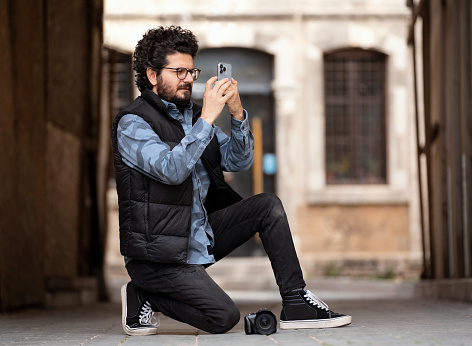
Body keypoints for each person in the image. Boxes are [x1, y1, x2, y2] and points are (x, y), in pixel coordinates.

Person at [111, 25, 351, 336]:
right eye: (178, 71)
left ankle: (295, 302)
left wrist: (237, 114)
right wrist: (208, 119)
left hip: (195, 238)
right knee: (223, 317)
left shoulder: (195, 118)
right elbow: (171, 169)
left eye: (191, 71)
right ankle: (144, 292)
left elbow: (238, 160)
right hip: (156, 255)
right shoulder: (134, 123)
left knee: (267, 206)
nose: (188, 78)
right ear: (153, 76)